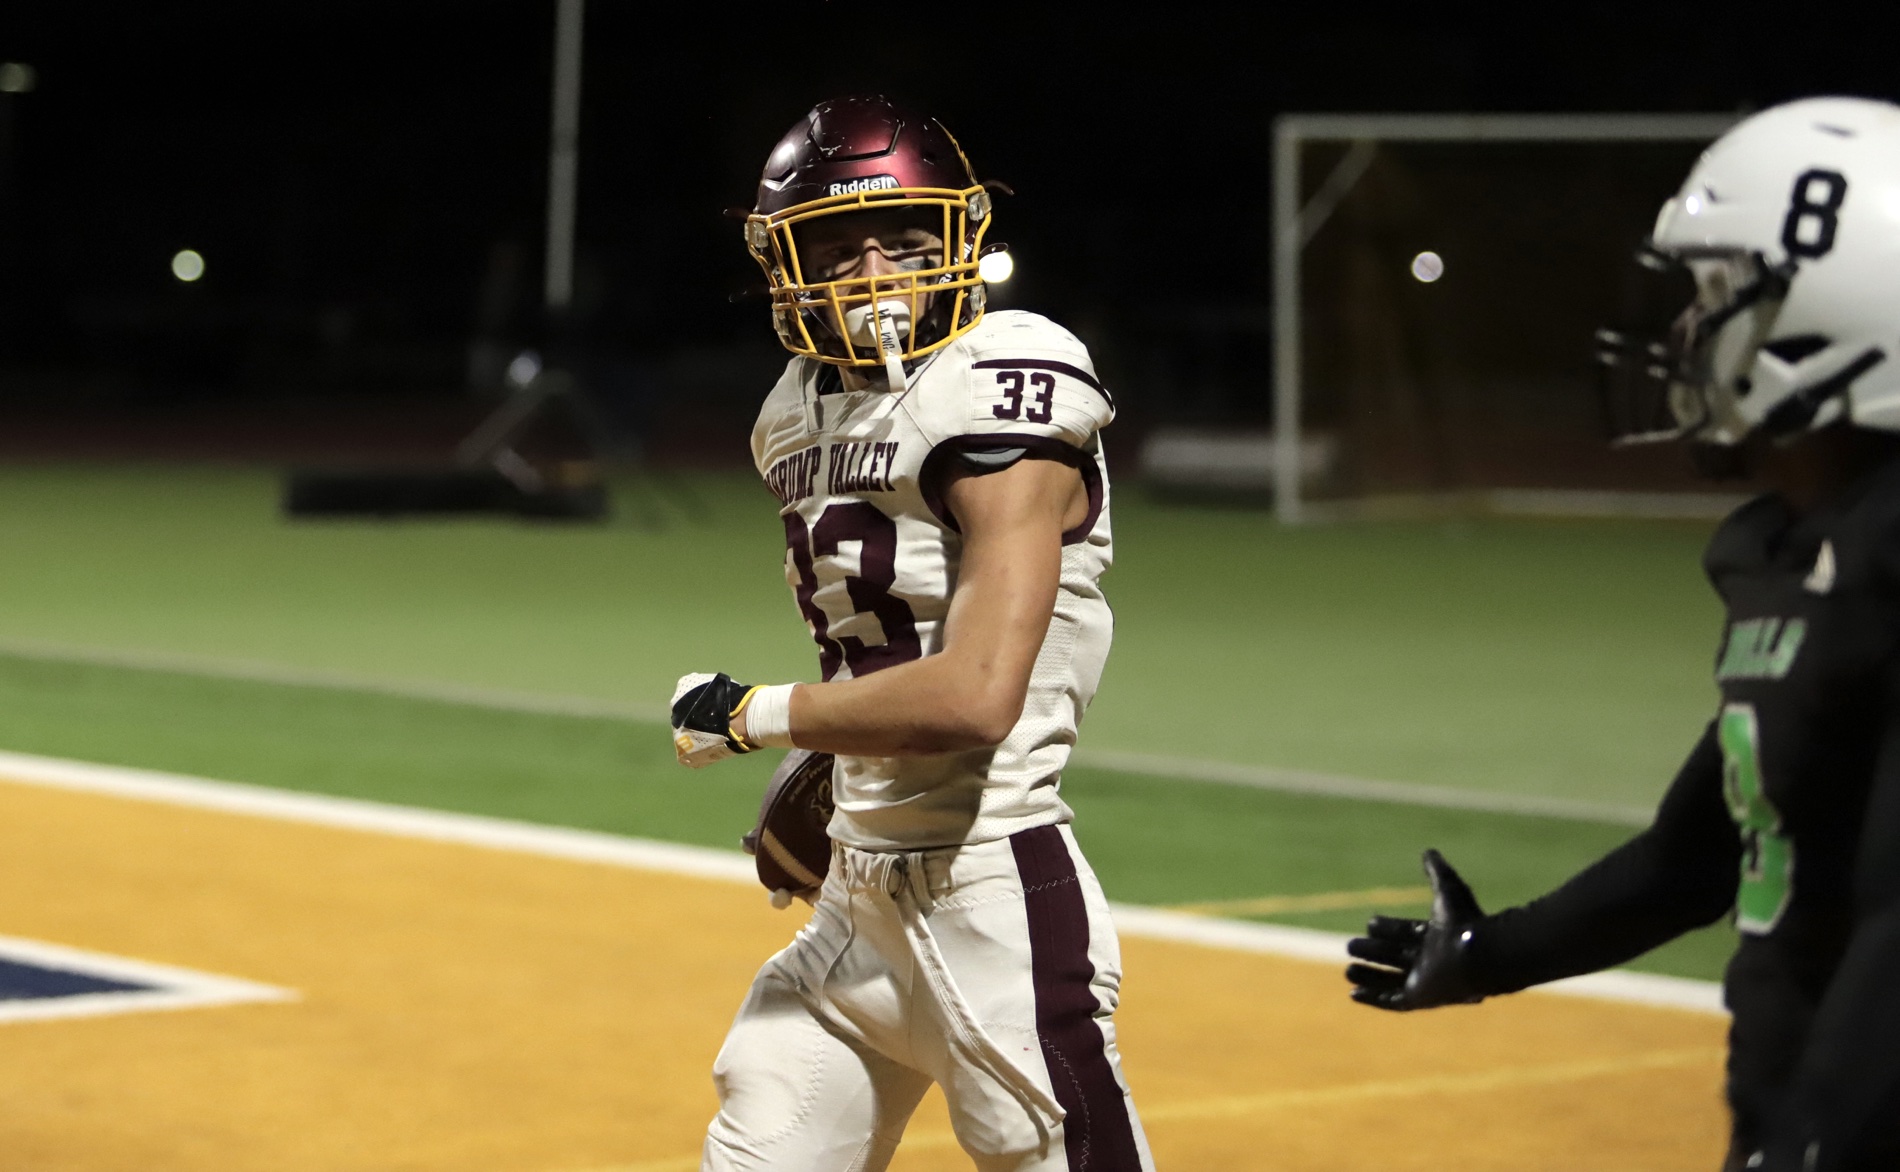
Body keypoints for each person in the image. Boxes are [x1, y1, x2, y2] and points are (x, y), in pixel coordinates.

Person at [1344, 96, 1900, 1172]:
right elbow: (1699, 853)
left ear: (1839, 310)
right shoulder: (1787, 554)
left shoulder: (1882, 557)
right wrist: (1490, 950)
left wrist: (1820, 1139)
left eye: (1716, 296)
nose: (1686, 332)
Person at [669, 94, 1154, 1171]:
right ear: (785, 265)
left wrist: (755, 715)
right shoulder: (791, 412)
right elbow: (881, 641)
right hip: (858, 898)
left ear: (958, 237)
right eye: (837, 249)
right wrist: (838, 767)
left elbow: (975, 693)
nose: (874, 274)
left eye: (902, 240)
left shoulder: (1005, 373)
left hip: (991, 896)